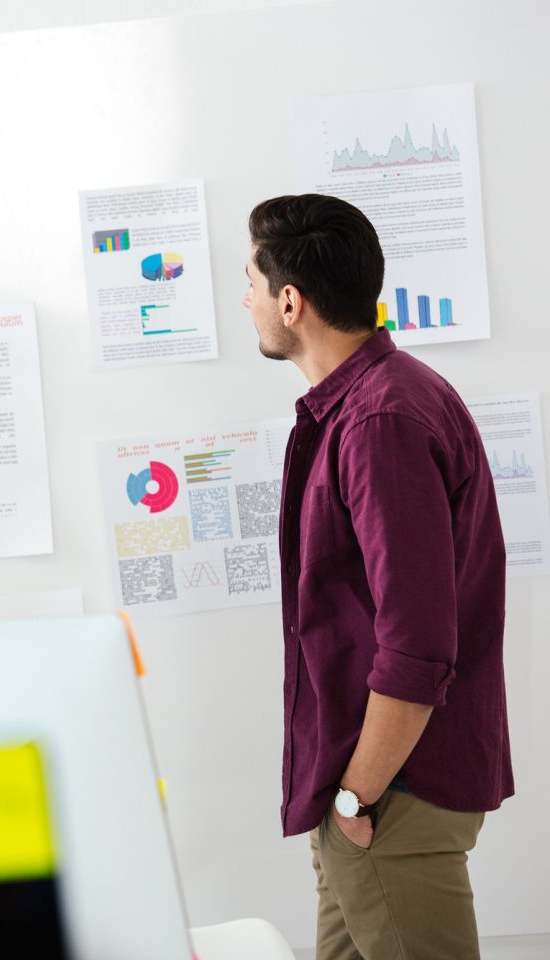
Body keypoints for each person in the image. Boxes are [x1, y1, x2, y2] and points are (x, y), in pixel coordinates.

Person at [242, 194, 513, 960]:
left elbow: (418, 645)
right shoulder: (369, 405)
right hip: (364, 795)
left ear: (290, 301)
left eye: (251, 282)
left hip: (391, 795)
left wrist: (359, 796)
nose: (246, 300)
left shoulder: (379, 422)